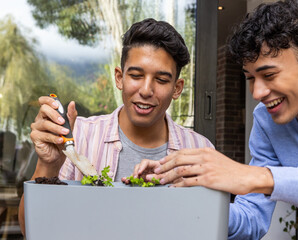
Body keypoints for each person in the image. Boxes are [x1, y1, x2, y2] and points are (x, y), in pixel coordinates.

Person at [133, 0, 298, 239]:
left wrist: (255, 177)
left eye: (269, 74)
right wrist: (193, 201)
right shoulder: (266, 121)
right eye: (250, 78)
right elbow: (252, 218)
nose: (257, 93)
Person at [18, 18, 213, 235]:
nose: (146, 90)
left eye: (161, 80)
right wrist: (49, 165)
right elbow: (33, 230)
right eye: (136, 76)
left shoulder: (199, 150)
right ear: (119, 78)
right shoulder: (79, 136)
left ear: (177, 88)